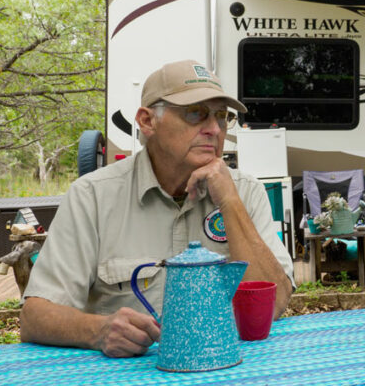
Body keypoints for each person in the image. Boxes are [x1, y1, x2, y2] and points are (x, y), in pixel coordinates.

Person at [21, 59, 295, 357]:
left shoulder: (245, 191)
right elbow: (35, 317)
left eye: (221, 116)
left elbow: (276, 302)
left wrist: (229, 202)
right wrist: (98, 330)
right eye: (196, 114)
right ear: (147, 121)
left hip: (228, 374)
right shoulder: (93, 196)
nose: (214, 129)